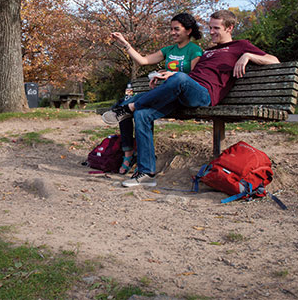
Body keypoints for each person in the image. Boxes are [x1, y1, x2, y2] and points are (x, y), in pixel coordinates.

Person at [103, 10, 280, 187]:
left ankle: (128, 108)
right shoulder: (208, 52)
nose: (211, 32)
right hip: (185, 92)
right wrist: (167, 75)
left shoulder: (240, 46)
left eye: (216, 28)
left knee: (177, 79)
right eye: (210, 27)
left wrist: (248, 56)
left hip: (205, 95)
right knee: (143, 114)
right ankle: (146, 173)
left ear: (230, 27)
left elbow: (274, 60)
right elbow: (189, 74)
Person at [108, 13, 204, 174]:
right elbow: (143, 60)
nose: (172, 32)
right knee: (122, 106)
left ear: (188, 31)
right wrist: (125, 44)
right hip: (162, 94)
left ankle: (140, 159)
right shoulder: (169, 50)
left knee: (129, 108)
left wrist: (172, 74)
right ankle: (128, 153)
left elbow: (193, 78)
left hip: (179, 98)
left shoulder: (194, 50)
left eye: (176, 29)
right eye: (171, 29)